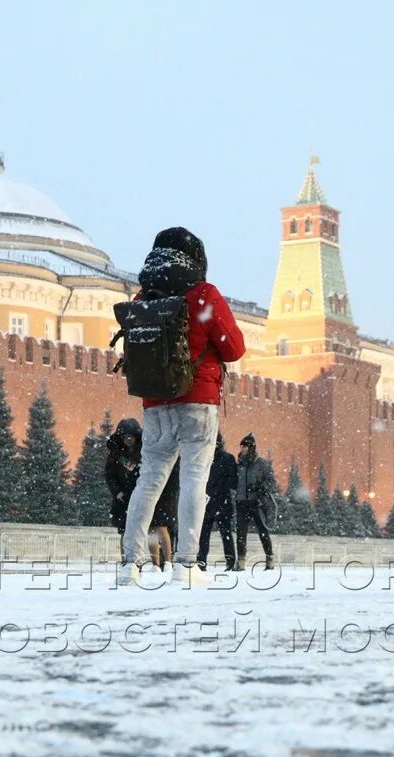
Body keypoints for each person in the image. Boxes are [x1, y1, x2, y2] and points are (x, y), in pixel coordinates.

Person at [117, 228, 246, 586]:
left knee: (148, 482)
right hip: (198, 399)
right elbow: (234, 348)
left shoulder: (145, 295)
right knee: (193, 479)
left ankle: (130, 564)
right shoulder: (203, 294)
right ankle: (186, 565)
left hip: (155, 401)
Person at [105, 417, 180, 568]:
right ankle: (127, 561)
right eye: (125, 437)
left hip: (146, 494)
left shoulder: (146, 451)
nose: (128, 440)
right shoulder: (115, 454)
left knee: (157, 527)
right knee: (125, 530)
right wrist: (117, 491)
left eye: (131, 437)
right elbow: (109, 474)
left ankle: (163, 563)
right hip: (125, 497)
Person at [234, 433, 276, 570]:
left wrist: (259, 487)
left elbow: (271, 482)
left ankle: (269, 559)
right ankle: (240, 562)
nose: (241, 449)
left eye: (244, 446)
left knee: (263, 531)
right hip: (241, 502)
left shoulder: (261, 464)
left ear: (250, 447)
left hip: (257, 502)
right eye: (241, 446)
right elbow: (235, 482)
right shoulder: (239, 464)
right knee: (241, 533)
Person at [197, 431, 238, 571]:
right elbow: (233, 481)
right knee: (219, 534)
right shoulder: (224, 458)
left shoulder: (207, 458)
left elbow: (233, 481)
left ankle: (204, 561)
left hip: (214, 501)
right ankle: (226, 561)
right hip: (215, 501)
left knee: (210, 534)